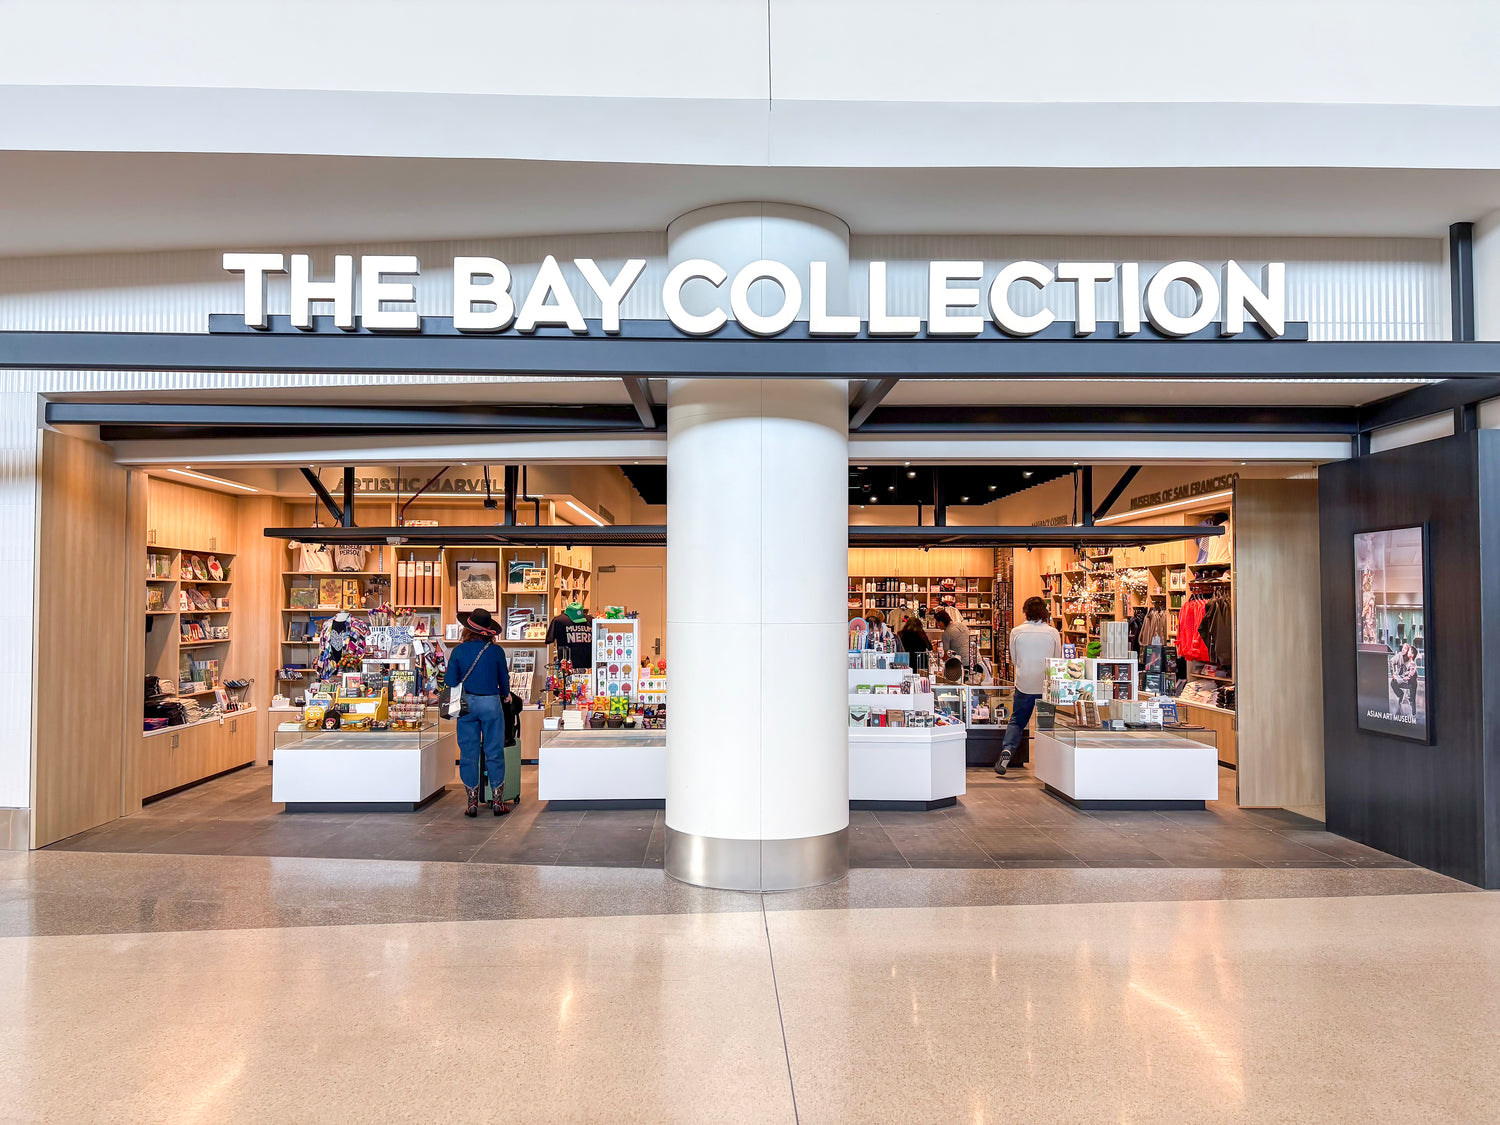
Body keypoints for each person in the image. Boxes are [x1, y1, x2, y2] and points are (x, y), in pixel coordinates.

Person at [445, 607, 512, 816]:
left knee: (468, 754)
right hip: (491, 703)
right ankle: (498, 801)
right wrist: (507, 693)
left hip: (466, 704)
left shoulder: (459, 651)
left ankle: (472, 802)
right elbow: (504, 679)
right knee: (494, 751)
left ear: (467, 628)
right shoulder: (496, 651)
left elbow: (450, 681)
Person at [997, 596, 1063, 776]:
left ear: (1025, 610)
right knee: (1046, 724)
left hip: (1024, 683)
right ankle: (1048, 761)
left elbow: (1013, 659)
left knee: (1017, 721)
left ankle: (1008, 750)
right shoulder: (1052, 633)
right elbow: (1057, 660)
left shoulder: (1016, 632)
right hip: (1046, 685)